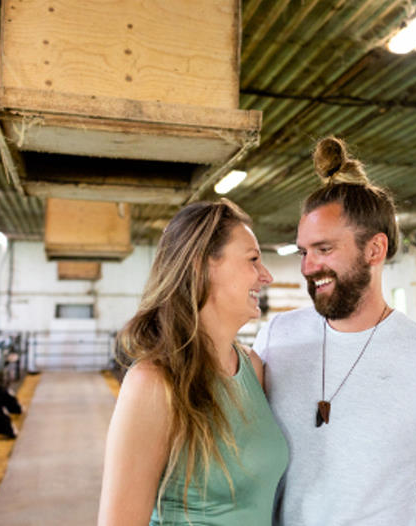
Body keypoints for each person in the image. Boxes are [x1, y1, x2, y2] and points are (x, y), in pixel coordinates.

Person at [253, 137, 416, 526]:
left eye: (323, 249)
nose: (307, 267)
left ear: (374, 249)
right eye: (304, 251)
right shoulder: (275, 338)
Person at [98, 199, 289, 526]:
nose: (266, 275)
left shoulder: (251, 368)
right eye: (253, 260)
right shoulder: (154, 383)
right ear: (202, 265)